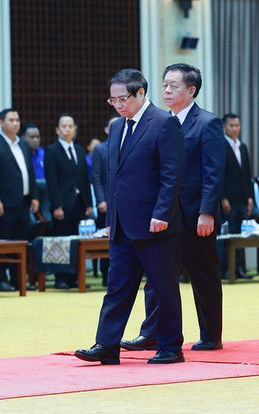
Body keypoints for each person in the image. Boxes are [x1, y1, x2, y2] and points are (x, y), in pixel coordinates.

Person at [75, 68, 185, 365]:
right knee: (117, 287)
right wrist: (110, 218)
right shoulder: (117, 126)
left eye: (122, 98)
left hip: (155, 223)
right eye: (112, 100)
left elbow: (172, 175)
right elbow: (116, 176)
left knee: (162, 288)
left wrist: (162, 212)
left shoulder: (164, 123)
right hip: (122, 224)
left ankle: (171, 346)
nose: (118, 104)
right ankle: (107, 345)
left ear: (140, 93)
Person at [121, 63, 226, 353]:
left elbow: (213, 173)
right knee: (157, 277)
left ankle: (210, 334)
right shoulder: (157, 122)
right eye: (164, 84)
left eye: (174, 86)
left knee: (202, 275)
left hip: (194, 215)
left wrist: (207, 212)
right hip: (164, 215)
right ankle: (152, 332)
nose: (166, 90)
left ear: (191, 90)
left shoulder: (207, 123)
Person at [0, 109, 39, 291]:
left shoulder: (23, 145)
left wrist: (35, 196)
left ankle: (17, 279)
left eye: (17, 119)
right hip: (4, 203)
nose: (16, 123)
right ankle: (0, 279)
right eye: (11, 120)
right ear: (1, 122)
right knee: (3, 241)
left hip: (23, 201)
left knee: (20, 242)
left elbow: (30, 173)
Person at [44, 113, 93, 289]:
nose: (67, 129)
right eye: (63, 126)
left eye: (70, 126)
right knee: (62, 240)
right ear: (57, 130)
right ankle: (60, 278)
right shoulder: (52, 151)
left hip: (79, 203)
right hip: (62, 204)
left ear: (74, 129)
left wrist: (88, 203)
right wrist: (57, 206)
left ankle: (74, 276)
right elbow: (52, 182)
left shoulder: (79, 150)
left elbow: (85, 179)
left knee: (77, 240)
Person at [219, 113, 254, 279]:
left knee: (240, 235)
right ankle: (226, 269)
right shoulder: (219, 145)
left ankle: (239, 269)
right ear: (224, 127)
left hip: (241, 198)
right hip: (227, 199)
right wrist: (222, 197)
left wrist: (250, 197)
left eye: (237, 125)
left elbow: (247, 174)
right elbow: (218, 175)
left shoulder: (243, 147)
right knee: (228, 235)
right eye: (231, 125)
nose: (235, 128)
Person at [91, 115, 119, 287]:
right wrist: (101, 200)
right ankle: (105, 275)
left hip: (125, 202)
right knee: (106, 240)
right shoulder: (100, 149)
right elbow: (96, 177)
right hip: (107, 203)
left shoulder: (128, 145)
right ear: (107, 130)